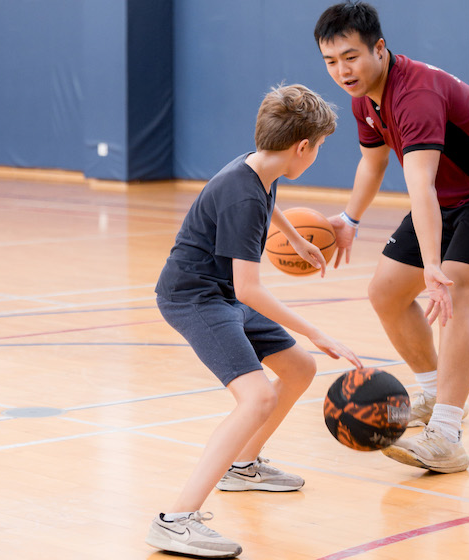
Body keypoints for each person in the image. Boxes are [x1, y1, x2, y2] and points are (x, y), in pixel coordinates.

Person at [314, 2, 469, 474]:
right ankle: (438, 390)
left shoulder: (415, 93)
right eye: (331, 61)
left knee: (454, 294)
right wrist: (349, 219)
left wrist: (435, 266)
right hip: (450, 197)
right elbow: (374, 161)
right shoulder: (365, 98)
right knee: (385, 293)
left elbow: (419, 183)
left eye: (351, 57)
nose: (343, 71)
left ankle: (446, 434)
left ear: (380, 47)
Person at [146, 84, 362, 558]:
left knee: (299, 368)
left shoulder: (260, 164)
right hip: (194, 297)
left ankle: (243, 468)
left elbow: (268, 198)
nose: (317, 154)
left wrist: (293, 237)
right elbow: (250, 291)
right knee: (256, 396)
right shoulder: (242, 197)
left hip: (219, 292)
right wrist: (317, 331)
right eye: (319, 147)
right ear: (301, 147)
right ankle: (175, 520)